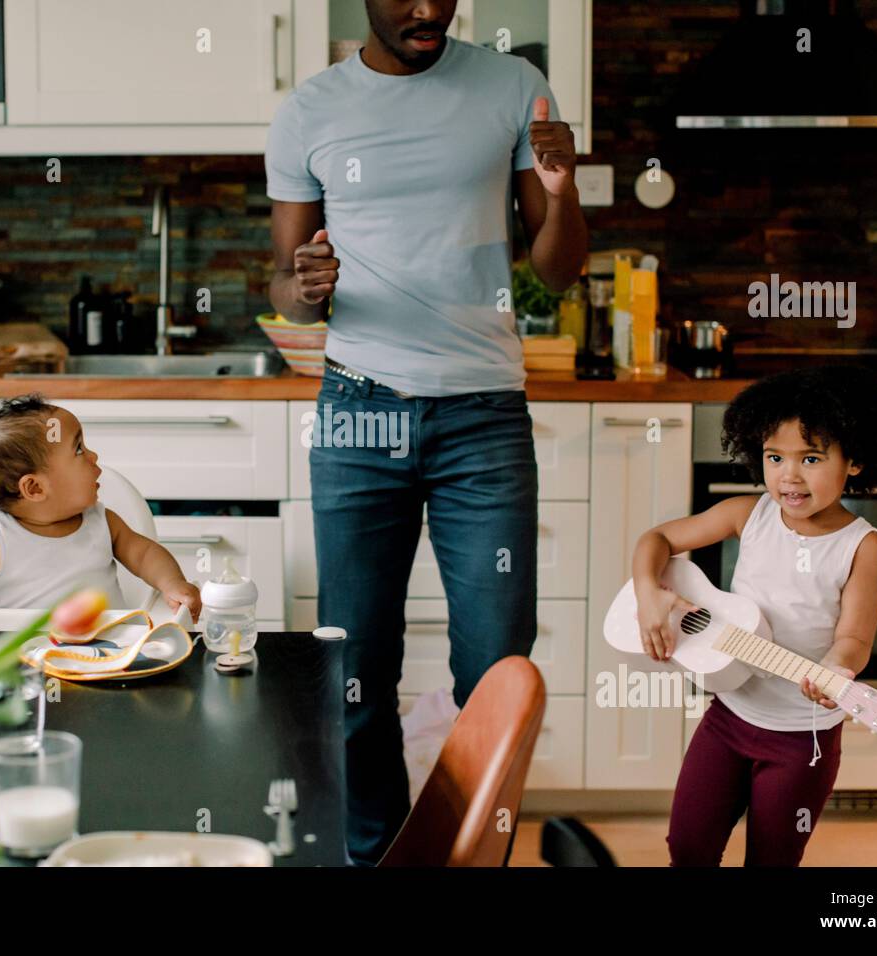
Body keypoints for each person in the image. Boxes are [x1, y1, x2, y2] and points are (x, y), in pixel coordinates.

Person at [265, 0, 588, 864]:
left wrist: (561, 195)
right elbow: (284, 287)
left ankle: (473, 853)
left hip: (481, 417)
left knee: (496, 677)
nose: (428, 8)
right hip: (357, 409)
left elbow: (557, 271)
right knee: (357, 675)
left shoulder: (515, 88)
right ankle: (375, 855)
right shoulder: (310, 110)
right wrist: (307, 283)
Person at [631, 366, 877, 866]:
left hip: (803, 740)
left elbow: (854, 639)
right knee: (688, 847)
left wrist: (835, 667)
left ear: (856, 461)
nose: (789, 475)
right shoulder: (748, 514)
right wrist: (648, 590)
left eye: (811, 458)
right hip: (728, 718)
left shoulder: (861, 547)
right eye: (775, 457)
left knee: (772, 859)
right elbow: (657, 540)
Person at [0, 394, 202, 620]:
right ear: (35, 488)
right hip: (29, 657)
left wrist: (172, 584)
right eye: (78, 449)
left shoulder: (101, 521)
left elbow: (145, 555)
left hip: (109, 648)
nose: (94, 456)